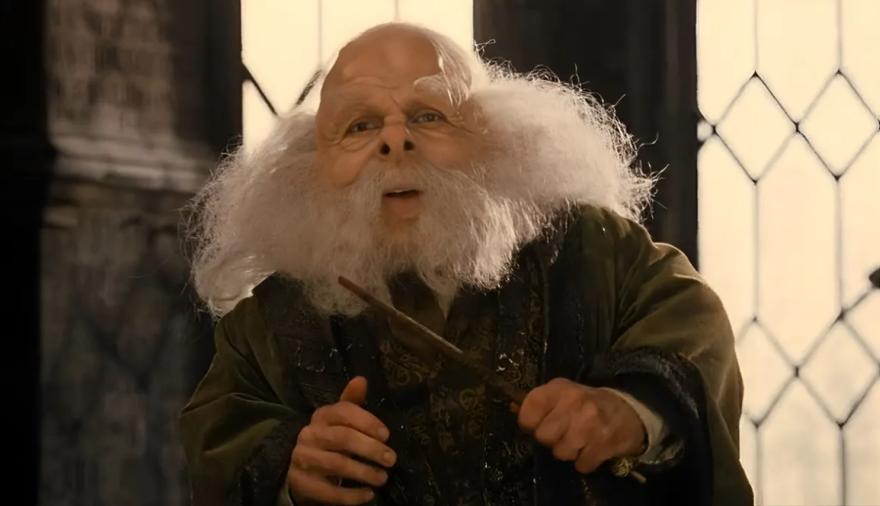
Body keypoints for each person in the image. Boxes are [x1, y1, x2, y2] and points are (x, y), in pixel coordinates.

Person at [180, 22, 752, 506]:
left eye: (429, 115)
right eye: (360, 126)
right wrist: (291, 466)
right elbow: (219, 443)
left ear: (497, 139)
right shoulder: (268, 324)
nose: (395, 142)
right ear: (311, 170)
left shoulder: (594, 252)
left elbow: (692, 330)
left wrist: (631, 411)